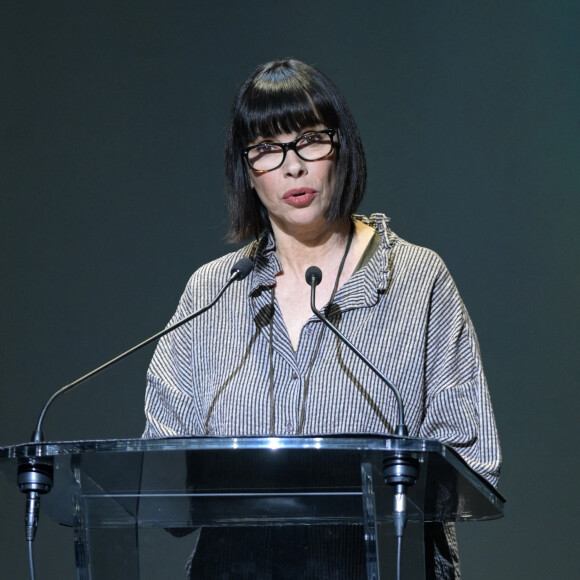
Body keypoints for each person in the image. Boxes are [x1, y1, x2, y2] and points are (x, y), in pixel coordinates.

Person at [143, 58, 501, 579]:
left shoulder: (417, 279)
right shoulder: (212, 291)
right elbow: (161, 481)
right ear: (245, 170)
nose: (292, 166)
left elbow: (471, 459)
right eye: (266, 149)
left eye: (309, 139)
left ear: (342, 147)